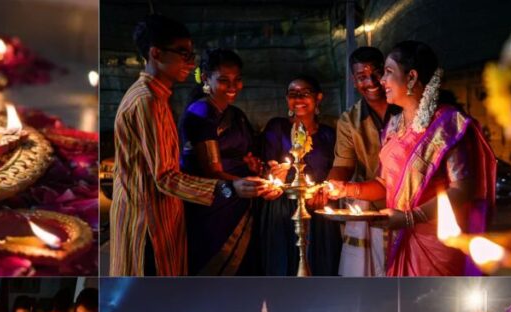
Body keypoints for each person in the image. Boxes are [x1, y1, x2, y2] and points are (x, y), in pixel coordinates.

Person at [109, 14, 264, 276]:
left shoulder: (156, 97)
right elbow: (165, 177)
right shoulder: (148, 101)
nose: (190, 63)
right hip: (148, 222)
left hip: (164, 214)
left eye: (191, 55)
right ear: (156, 53)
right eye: (184, 54)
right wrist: (228, 188)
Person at [328, 41, 496, 276]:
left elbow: (463, 189)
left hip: (437, 242)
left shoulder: (448, 125)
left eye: (388, 72)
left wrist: (411, 217)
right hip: (400, 237)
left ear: (411, 77)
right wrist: (346, 189)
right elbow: (384, 185)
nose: (381, 81)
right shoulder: (394, 126)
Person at [315, 47, 402, 276]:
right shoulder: (349, 120)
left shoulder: (407, 110)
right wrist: (331, 187)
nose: (371, 82)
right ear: (354, 82)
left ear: (387, 73)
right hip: (369, 207)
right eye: (362, 77)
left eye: (376, 73)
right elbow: (343, 164)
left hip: (407, 205)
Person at [178, 48, 266, 275]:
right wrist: (240, 184)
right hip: (214, 203)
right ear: (206, 78)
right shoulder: (201, 112)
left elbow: (244, 153)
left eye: (237, 80)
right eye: (224, 80)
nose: (233, 87)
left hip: (239, 201)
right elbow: (211, 170)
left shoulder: (236, 115)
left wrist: (253, 166)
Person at [259, 74, 340, 276]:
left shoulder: (329, 134)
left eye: (305, 93)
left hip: (318, 205)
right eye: (293, 94)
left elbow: (337, 170)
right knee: (284, 263)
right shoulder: (277, 127)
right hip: (283, 207)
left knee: (320, 263)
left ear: (318, 98)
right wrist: (274, 172)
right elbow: (267, 166)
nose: (298, 99)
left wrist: (324, 191)